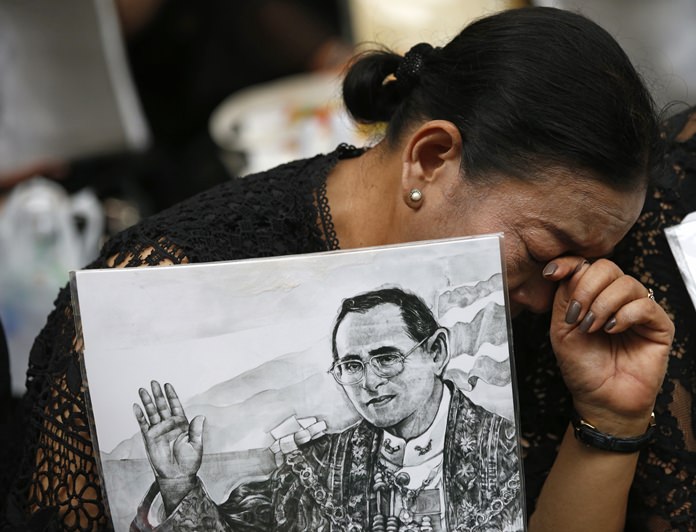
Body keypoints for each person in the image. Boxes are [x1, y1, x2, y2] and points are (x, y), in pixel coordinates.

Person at [3, 6, 690, 531]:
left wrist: (608, 416)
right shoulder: (164, 282)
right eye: (541, 254)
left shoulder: (576, 307)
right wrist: (181, 488)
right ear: (429, 159)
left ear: (439, 352)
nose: (553, 296)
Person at [130, 287, 523, 531]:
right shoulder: (315, 469)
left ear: (436, 352)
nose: (369, 382)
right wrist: (177, 483)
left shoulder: (507, 451)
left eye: (386, 358)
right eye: (352, 366)